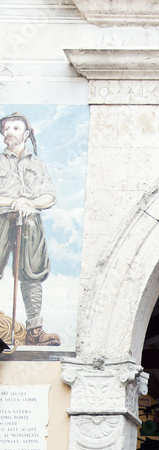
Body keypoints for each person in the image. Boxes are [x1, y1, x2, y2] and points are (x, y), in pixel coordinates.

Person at [0, 111, 60, 346]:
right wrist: (12, 202)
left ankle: (34, 331)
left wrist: (29, 203)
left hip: (30, 222)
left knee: (32, 274)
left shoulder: (38, 165)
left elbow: (49, 196)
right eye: (5, 128)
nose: (8, 132)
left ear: (26, 134)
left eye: (15, 128)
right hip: (2, 218)